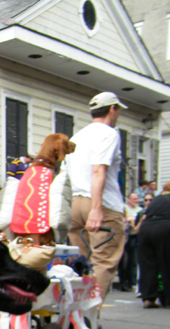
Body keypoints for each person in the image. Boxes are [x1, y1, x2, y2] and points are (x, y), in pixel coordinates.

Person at [64, 92, 128, 304]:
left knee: (80, 261)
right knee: (103, 261)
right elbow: (98, 170)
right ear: (113, 109)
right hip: (100, 203)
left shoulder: (77, 137)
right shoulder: (109, 134)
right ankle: (91, 316)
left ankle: (76, 316)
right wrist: (97, 208)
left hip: (76, 201)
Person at [137, 183, 170, 308]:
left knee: (148, 264)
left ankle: (148, 298)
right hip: (165, 227)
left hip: (146, 228)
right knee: (166, 262)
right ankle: (167, 299)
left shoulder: (156, 200)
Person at [117, 192, 141, 292]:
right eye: (134, 198)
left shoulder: (139, 210)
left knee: (132, 261)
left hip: (131, 237)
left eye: (137, 198)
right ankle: (123, 282)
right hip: (121, 241)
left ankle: (131, 282)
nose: (136, 200)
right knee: (123, 262)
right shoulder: (124, 211)